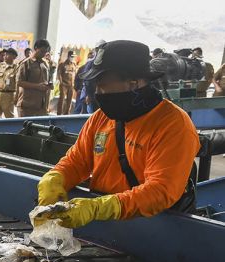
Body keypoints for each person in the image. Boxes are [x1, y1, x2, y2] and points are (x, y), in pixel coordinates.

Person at [35, 40, 199, 230]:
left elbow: (160, 191)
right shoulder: (101, 118)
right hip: (107, 225)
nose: (98, 93)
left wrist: (102, 207)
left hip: (155, 229)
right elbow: (78, 161)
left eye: (103, 86)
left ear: (133, 83)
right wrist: (56, 177)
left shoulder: (173, 124)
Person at [16, 39, 51, 117]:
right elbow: (19, 82)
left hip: (41, 106)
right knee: (26, 128)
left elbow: (46, 80)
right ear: (35, 48)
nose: (43, 54)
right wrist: (37, 86)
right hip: (27, 105)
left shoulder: (45, 63)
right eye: (42, 51)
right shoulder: (26, 63)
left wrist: (48, 85)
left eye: (45, 52)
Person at [57, 50, 77, 114]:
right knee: (62, 100)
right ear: (68, 56)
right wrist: (61, 82)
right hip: (64, 84)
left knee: (69, 101)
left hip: (71, 85)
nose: (73, 58)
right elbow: (59, 74)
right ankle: (59, 114)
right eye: (72, 56)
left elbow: (75, 74)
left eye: (74, 56)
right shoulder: (62, 64)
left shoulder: (74, 64)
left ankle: (66, 113)